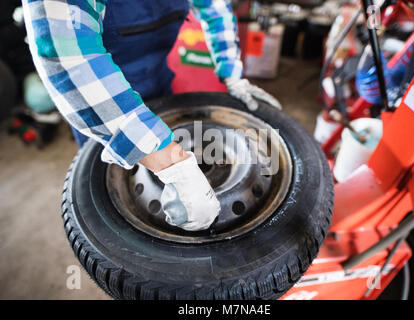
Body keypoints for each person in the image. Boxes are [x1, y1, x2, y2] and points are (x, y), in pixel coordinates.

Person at [22, 0, 281, 231]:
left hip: (158, 81)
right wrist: (172, 164)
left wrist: (231, 71)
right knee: (107, 207)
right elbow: (63, 52)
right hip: (99, 107)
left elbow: (215, 5)